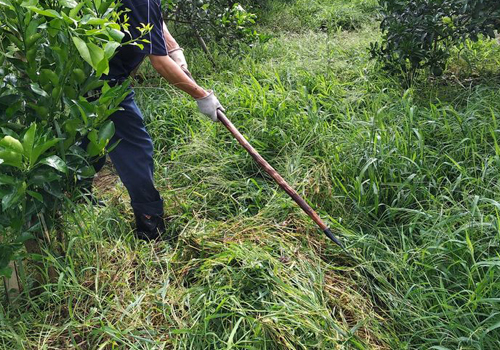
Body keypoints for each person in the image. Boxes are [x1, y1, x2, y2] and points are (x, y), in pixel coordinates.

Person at [84, 0, 224, 241]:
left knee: (86, 138)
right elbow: (159, 62)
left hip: (85, 75)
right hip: (106, 82)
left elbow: (152, 19)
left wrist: (173, 47)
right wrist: (202, 96)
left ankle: (78, 194)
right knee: (135, 149)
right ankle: (151, 228)